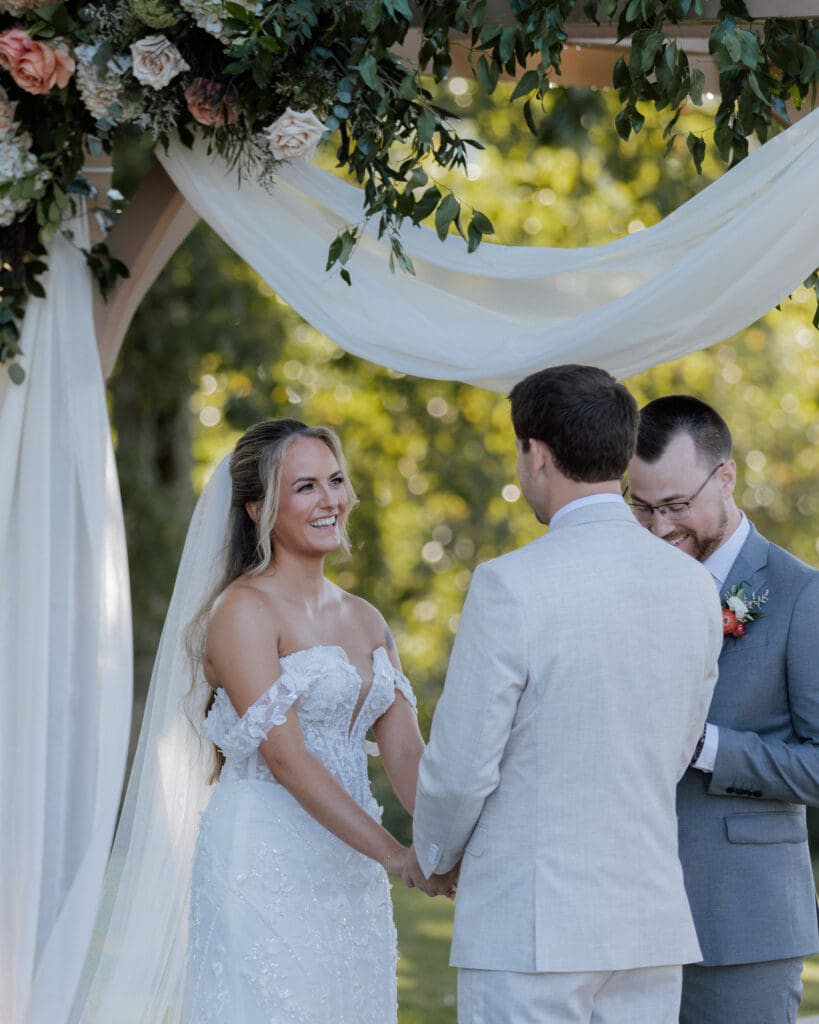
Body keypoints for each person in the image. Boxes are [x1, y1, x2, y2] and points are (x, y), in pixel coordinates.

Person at [73, 418, 450, 1024]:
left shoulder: (366, 619)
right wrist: (397, 856)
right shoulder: (242, 610)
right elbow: (287, 757)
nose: (330, 500)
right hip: (265, 861)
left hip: (350, 865)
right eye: (305, 487)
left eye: (335, 480)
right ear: (257, 509)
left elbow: (406, 754)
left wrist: (445, 842)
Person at [406, 364, 723, 1024]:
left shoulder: (510, 585)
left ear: (537, 454)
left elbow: (462, 766)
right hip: (646, 922)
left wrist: (434, 855)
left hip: (531, 924)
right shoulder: (694, 586)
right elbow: (679, 744)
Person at [627, 395, 819, 1024]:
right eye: (641, 506)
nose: (658, 527)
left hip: (744, 922)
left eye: (676, 506)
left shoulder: (801, 595)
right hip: (625, 919)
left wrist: (706, 746)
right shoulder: (627, 587)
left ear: (727, 476)